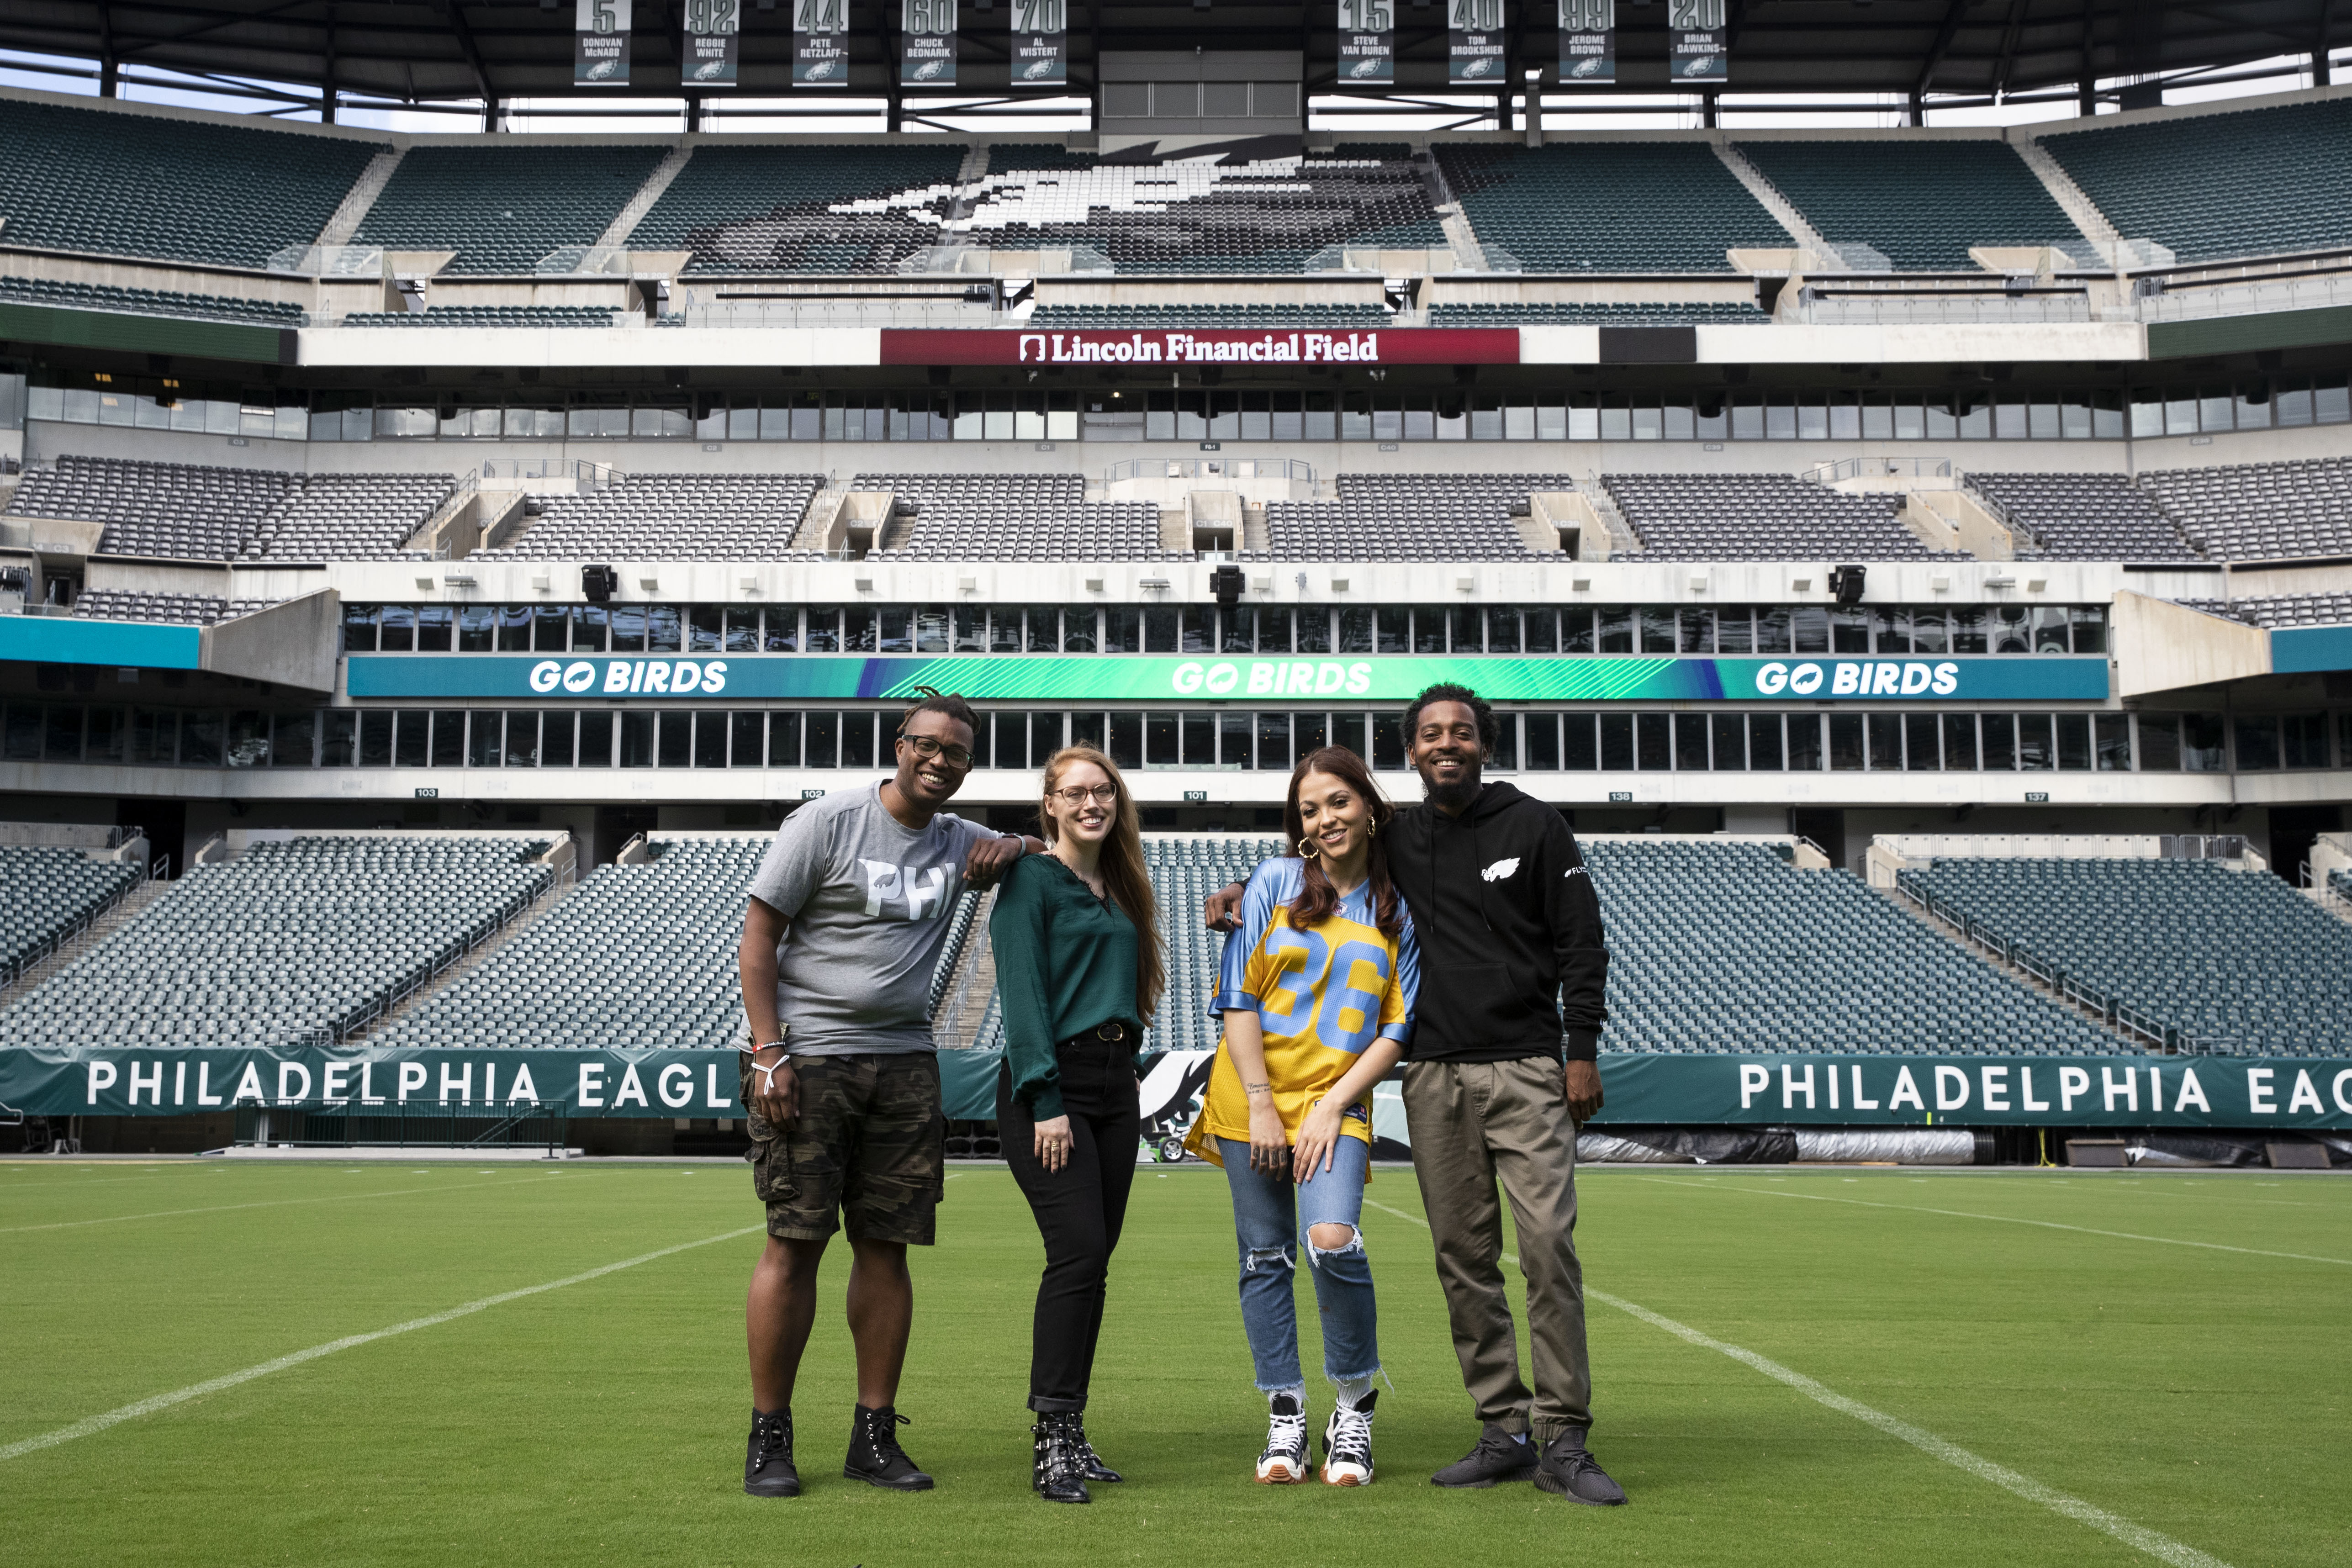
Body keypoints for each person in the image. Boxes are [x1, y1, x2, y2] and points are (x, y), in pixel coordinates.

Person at [1206, 685, 1623, 1506]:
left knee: (1545, 1248)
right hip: (1432, 1076)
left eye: (1460, 732)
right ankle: (1502, 1427)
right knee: (1462, 1260)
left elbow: (1582, 941)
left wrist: (1580, 1051)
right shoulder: (1400, 837)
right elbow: (1320, 848)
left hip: (1527, 1064)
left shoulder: (1535, 824)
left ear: (1483, 743)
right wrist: (1236, 892)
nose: (1446, 744)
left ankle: (1563, 1435)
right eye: (1430, 734)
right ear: (1410, 754)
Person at [736, 692, 1032, 1499]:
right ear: (899, 746)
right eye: (927, 745)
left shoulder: (960, 837)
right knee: (794, 1241)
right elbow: (758, 934)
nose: (940, 761)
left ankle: (873, 1434)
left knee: (887, 1246)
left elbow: (1051, 849)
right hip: (810, 1056)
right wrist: (770, 1053)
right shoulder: (826, 822)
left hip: (905, 1061)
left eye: (958, 753)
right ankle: (771, 1436)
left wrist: (1010, 843)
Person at [1187, 746, 1418, 1489]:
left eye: (1338, 802)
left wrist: (1329, 1105)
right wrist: (1261, 1105)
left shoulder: (1399, 905)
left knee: (1332, 1240)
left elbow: (1396, 1028)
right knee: (1264, 1257)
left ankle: (1354, 1405)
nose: (1326, 818)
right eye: (1310, 809)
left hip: (1334, 1105)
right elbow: (1238, 1000)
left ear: (1369, 805)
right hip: (1247, 1098)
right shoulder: (1276, 881)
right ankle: (1284, 1410)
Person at [990, 745, 1165, 1505]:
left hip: (1114, 1084)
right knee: (1078, 1252)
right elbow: (1023, 992)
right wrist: (1045, 1097)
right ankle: (1051, 1435)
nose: (1092, 802)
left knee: (1095, 1263)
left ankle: (1073, 1428)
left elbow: (1124, 986)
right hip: (1050, 1083)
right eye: (1075, 793)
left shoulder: (1123, 884)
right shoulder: (1030, 878)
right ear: (1050, 805)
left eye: (1104, 791)